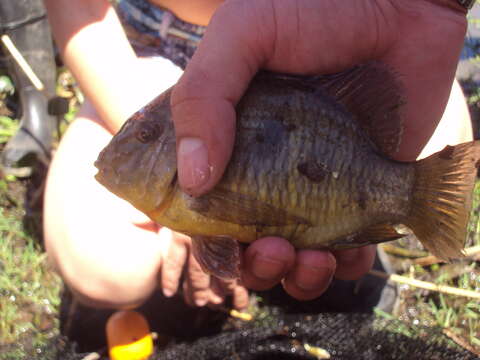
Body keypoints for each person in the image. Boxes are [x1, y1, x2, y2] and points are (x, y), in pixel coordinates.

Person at [43, 0, 473, 312]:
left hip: (329, 50)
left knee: (439, 139)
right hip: (148, 66)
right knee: (102, 268)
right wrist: (184, 168)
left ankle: (366, 214)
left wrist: (425, 6)